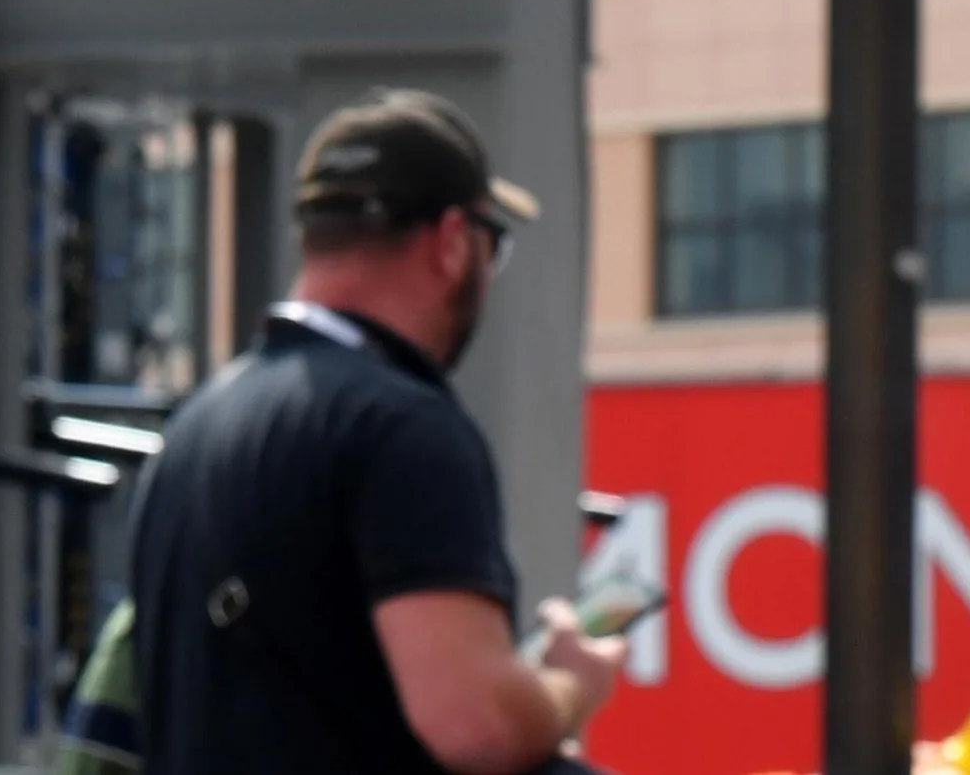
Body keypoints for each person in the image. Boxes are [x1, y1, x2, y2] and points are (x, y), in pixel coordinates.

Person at [128, 88, 623, 774]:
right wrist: (569, 684)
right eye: (492, 245)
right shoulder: (400, 427)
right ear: (452, 243)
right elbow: (475, 724)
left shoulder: (194, 430)